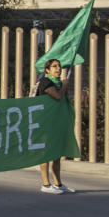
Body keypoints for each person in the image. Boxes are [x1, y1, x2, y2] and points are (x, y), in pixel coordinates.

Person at [35, 59, 75, 194]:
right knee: (45, 153)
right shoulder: (46, 82)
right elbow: (57, 97)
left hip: (56, 123)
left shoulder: (57, 83)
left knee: (56, 154)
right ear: (47, 70)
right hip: (45, 123)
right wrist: (64, 85)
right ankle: (46, 184)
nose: (58, 69)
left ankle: (58, 184)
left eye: (59, 66)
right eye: (54, 66)